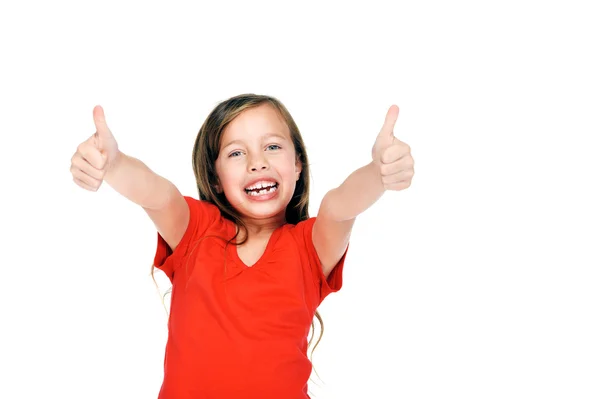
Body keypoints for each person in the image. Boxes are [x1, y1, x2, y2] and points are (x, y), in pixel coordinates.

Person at [70, 93, 415, 398]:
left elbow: (339, 207)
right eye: (236, 153)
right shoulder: (195, 231)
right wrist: (113, 164)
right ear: (216, 178)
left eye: (273, 147)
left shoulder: (310, 247)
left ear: (297, 165)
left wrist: (377, 172)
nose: (257, 161)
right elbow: (154, 192)